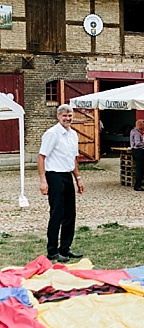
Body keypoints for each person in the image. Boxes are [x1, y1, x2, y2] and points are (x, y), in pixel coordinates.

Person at [38, 104, 85, 263]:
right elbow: (41, 157)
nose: (67, 118)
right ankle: (52, 251)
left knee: (70, 213)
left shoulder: (73, 135)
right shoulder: (52, 134)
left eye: (70, 115)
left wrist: (78, 178)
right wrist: (43, 180)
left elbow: (73, 159)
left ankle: (65, 247)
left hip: (67, 175)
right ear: (58, 116)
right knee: (57, 213)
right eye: (64, 115)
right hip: (54, 175)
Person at [130, 120, 144, 191]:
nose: (143, 126)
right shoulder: (137, 133)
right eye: (142, 125)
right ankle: (137, 186)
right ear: (139, 125)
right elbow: (137, 143)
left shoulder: (132, 131)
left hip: (134, 151)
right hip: (138, 151)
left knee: (139, 168)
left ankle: (139, 184)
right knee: (140, 169)